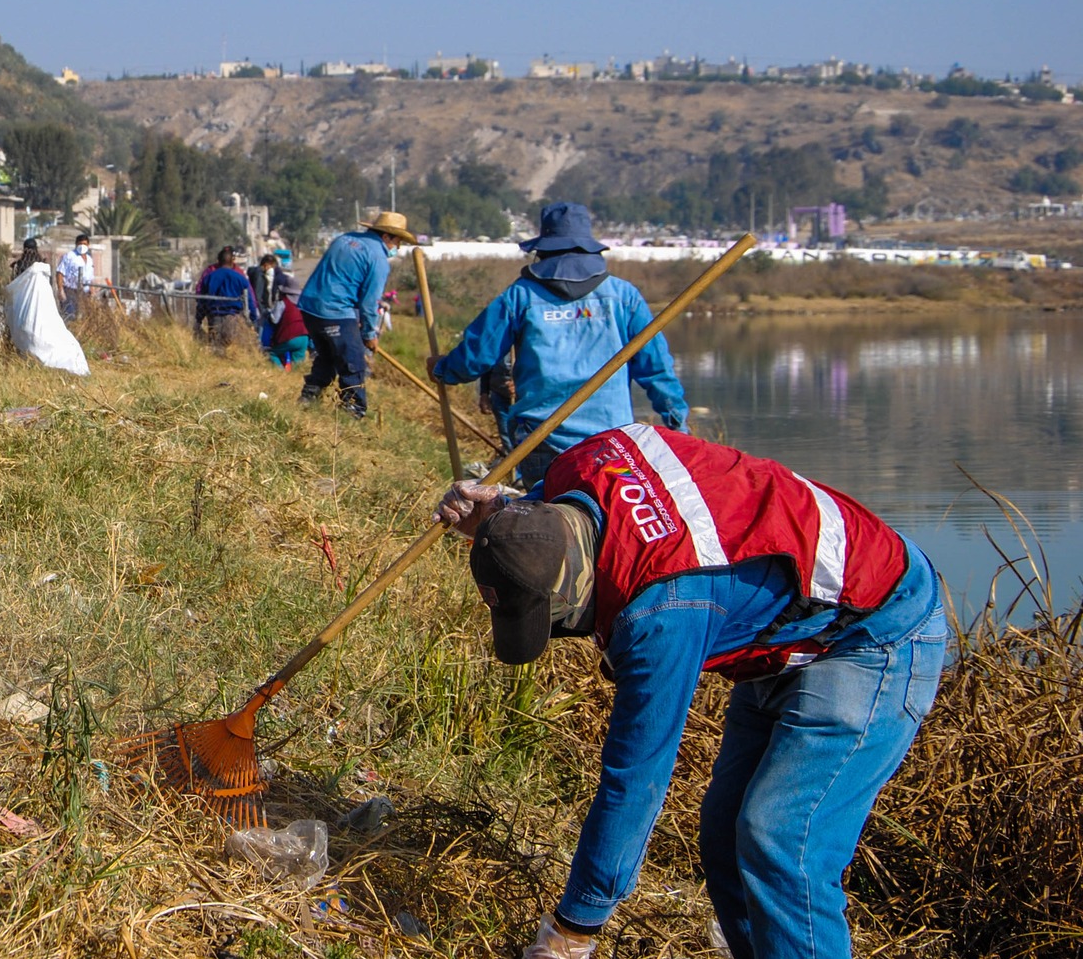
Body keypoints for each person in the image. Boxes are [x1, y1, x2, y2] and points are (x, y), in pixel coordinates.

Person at [435, 424, 944, 959]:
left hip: (876, 627)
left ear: (576, 592)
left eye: (558, 621)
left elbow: (636, 778)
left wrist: (572, 931)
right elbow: (544, 522)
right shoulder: (575, 465)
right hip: (788, 625)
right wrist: (504, 516)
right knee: (725, 832)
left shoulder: (661, 611)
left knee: (781, 838)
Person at [429, 202, 687, 484]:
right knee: (606, 521)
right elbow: (656, 368)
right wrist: (676, 422)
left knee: (547, 523)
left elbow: (476, 356)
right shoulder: (623, 297)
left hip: (541, 440)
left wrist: (443, 370)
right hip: (611, 442)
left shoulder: (521, 296)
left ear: (543, 249)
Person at [296, 211, 417, 417]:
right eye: (397, 241)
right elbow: (370, 303)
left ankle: (308, 399)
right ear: (386, 236)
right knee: (353, 363)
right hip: (335, 311)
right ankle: (352, 411)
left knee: (328, 356)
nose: (397, 247)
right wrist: (370, 335)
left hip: (310, 307)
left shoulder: (344, 239)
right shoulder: (378, 258)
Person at [193, 245, 255, 347]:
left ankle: (216, 361)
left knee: (215, 345)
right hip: (232, 317)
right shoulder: (240, 277)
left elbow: (202, 300)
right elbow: (249, 298)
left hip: (214, 315)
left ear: (219, 261)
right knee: (229, 344)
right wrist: (253, 318)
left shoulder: (209, 277)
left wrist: (198, 318)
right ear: (232, 261)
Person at [265, 285, 312, 367]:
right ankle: (295, 377)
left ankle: (280, 373)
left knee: (272, 353)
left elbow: (274, 320)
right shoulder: (304, 304)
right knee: (297, 365)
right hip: (304, 337)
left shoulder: (283, 303)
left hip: (289, 337)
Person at [56, 233, 96, 319]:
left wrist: (92, 289)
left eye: (84, 244)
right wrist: (60, 289)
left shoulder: (89, 259)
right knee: (70, 315)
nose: (82, 246)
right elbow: (60, 272)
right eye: (80, 244)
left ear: (88, 245)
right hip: (71, 290)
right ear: (76, 244)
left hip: (85, 292)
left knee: (84, 316)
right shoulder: (69, 256)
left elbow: (90, 276)